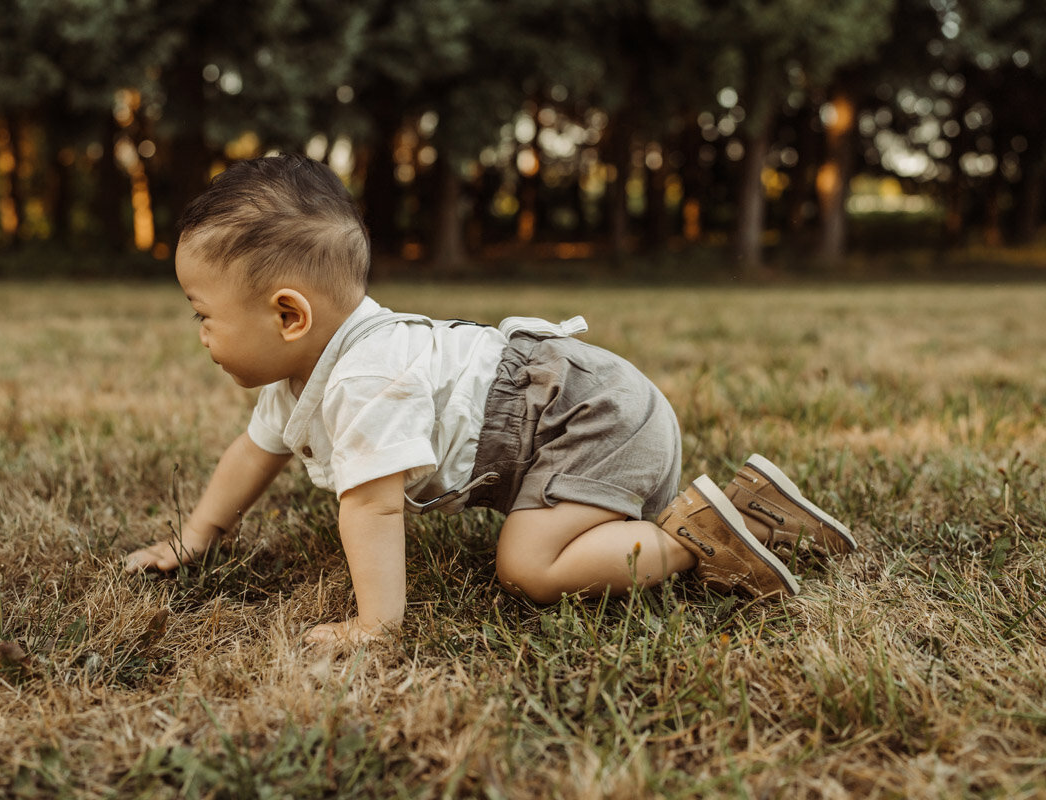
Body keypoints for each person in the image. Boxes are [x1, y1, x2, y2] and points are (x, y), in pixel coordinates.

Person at [124, 154, 856, 644]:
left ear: (289, 316)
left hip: (592, 419)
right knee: (540, 551)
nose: (201, 334)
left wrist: (375, 625)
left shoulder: (364, 378)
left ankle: (690, 540)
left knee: (530, 569)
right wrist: (195, 540)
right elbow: (255, 452)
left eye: (203, 313)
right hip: (589, 409)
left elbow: (371, 507)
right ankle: (755, 513)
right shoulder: (309, 369)